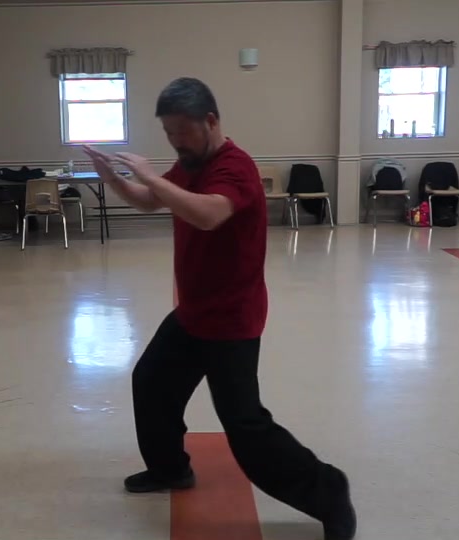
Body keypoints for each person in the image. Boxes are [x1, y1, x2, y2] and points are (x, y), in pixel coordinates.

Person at [83, 77, 356, 540]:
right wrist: (112, 177)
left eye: (182, 130)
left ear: (210, 120)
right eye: (168, 132)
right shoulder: (189, 163)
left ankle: (328, 491)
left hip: (231, 319)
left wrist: (149, 175)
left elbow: (208, 214)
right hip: (193, 312)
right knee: (151, 383)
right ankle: (170, 469)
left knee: (246, 428)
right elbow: (150, 202)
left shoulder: (235, 167)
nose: (175, 140)